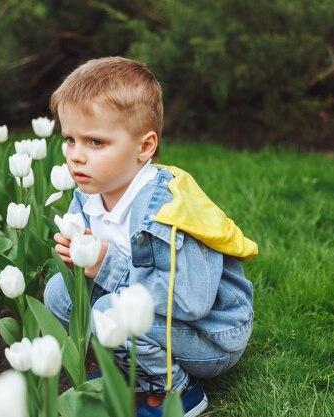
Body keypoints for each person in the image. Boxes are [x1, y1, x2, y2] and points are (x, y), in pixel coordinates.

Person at [44, 56, 258, 417]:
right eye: (70, 139)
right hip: (161, 321)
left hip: (211, 334)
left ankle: (176, 391)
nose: (76, 157)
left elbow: (192, 300)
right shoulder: (88, 193)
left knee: (109, 311)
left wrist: (106, 265)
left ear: (144, 147)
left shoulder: (167, 211)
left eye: (95, 142)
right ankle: (131, 366)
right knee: (60, 294)